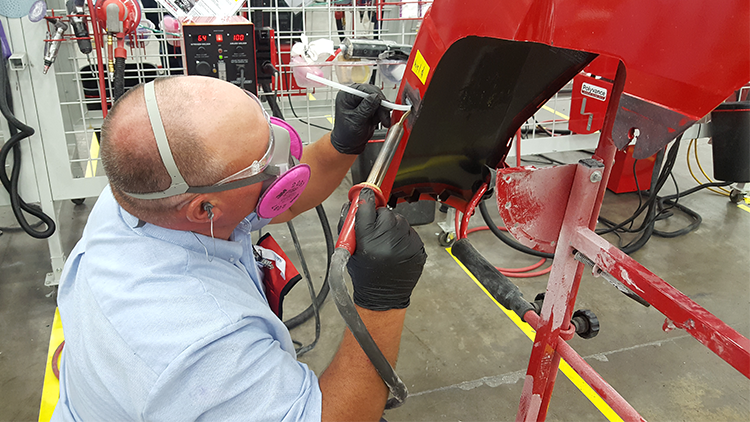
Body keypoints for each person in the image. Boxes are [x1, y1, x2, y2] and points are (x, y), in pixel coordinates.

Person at [52, 76, 427, 421]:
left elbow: (287, 201)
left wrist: (340, 145)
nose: (286, 168)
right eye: (264, 166)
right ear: (205, 209)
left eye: (272, 137)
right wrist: (381, 302)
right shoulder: (200, 344)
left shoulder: (141, 196)